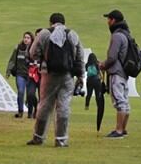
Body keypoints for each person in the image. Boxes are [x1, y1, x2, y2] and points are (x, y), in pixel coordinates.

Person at [26, 13, 84, 147]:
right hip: (67, 75)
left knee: (44, 105)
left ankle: (38, 137)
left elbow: (33, 53)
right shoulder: (72, 34)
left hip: (48, 74)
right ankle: (61, 139)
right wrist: (80, 76)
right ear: (64, 22)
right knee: (63, 106)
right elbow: (80, 56)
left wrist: (43, 58)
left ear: (51, 22)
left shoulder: (45, 34)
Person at [100, 10, 132, 139]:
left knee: (119, 101)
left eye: (109, 19)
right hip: (124, 73)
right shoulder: (126, 34)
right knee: (124, 101)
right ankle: (123, 129)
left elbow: (112, 57)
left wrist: (102, 65)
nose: (107, 21)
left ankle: (118, 130)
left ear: (113, 20)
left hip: (116, 72)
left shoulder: (117, 36)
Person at [6, 32, 34, 118]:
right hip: (20, 74)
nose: (26, 39)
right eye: (25, 37)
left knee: (30, 94)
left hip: (31, 75)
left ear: (31, 39)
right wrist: (8, 71)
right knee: (21, 92)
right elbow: (12, 60)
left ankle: (30, 112)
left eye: (28, 38)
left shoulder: (34, 49)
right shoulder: (18, 48)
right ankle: (20, 111)